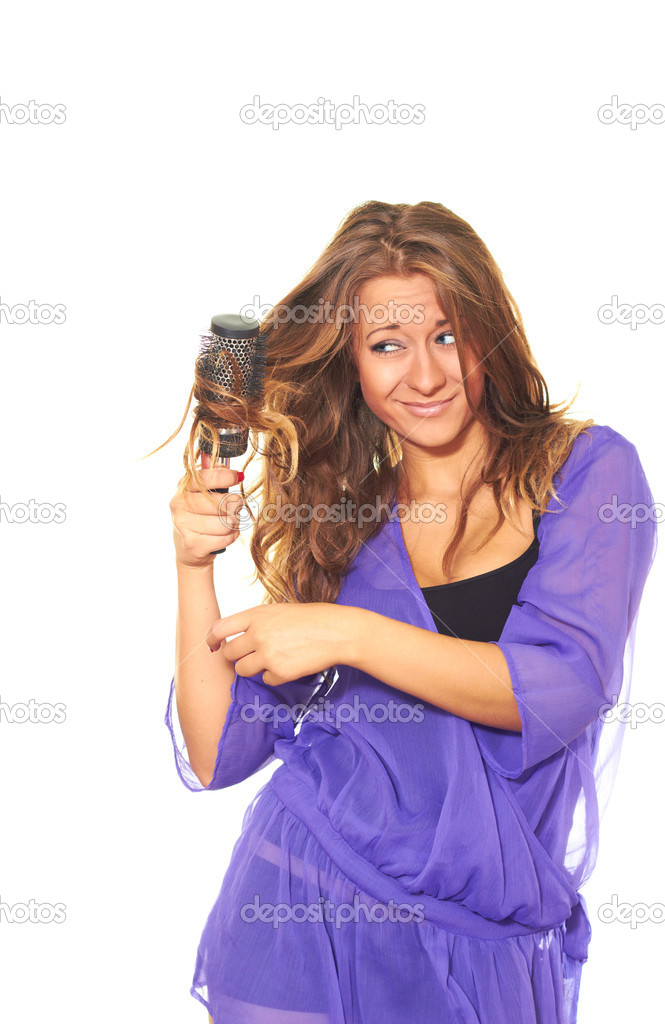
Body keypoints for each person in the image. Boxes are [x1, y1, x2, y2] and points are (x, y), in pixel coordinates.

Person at [162, 201, 657, 1024]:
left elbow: (560, 687)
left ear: (488, 334)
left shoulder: (587, 474)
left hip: (480, 942)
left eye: (447, 335)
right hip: (299, 909)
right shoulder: (343, 521)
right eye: (386, 346)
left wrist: (348, 633)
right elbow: (218, 752)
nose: (423, 375)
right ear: (353, 365)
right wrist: (191, 566)